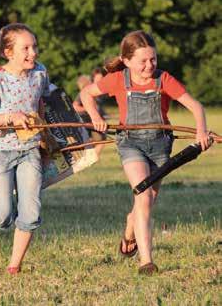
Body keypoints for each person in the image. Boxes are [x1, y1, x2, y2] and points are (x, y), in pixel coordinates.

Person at [80, 30, 210, 275]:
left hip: (160, 146)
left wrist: (201, 132)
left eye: (153, 59)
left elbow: (196, 106)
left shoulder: (164, 79)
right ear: (127, 60)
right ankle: (146, 261)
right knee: (142, 194)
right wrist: (95, 117)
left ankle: (130, 228)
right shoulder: (118, 79)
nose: (149, 65)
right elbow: (86, 93)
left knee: (147, 201)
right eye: (143, 61)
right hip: (131, 144)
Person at [0, 23, 50, 275]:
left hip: (30, 151)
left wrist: (43, 135)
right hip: (2, 152)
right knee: (3, 213)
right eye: (25, 48)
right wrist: (10, 118)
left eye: (34, 46)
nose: (33, 53)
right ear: (9, 52)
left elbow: (39, 102)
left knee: (30, 212)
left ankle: (14, 266)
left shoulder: (40, 73)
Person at [73, 70, 107, 158]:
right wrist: (88, 109)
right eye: (98, 78)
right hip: (86, 120)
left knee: (101, 141)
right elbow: (75, 106)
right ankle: (90, 158)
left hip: (95, 121)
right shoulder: (84, 92)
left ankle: (91, 158)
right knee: (98, 141)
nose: (101, 80)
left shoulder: (99, 91)